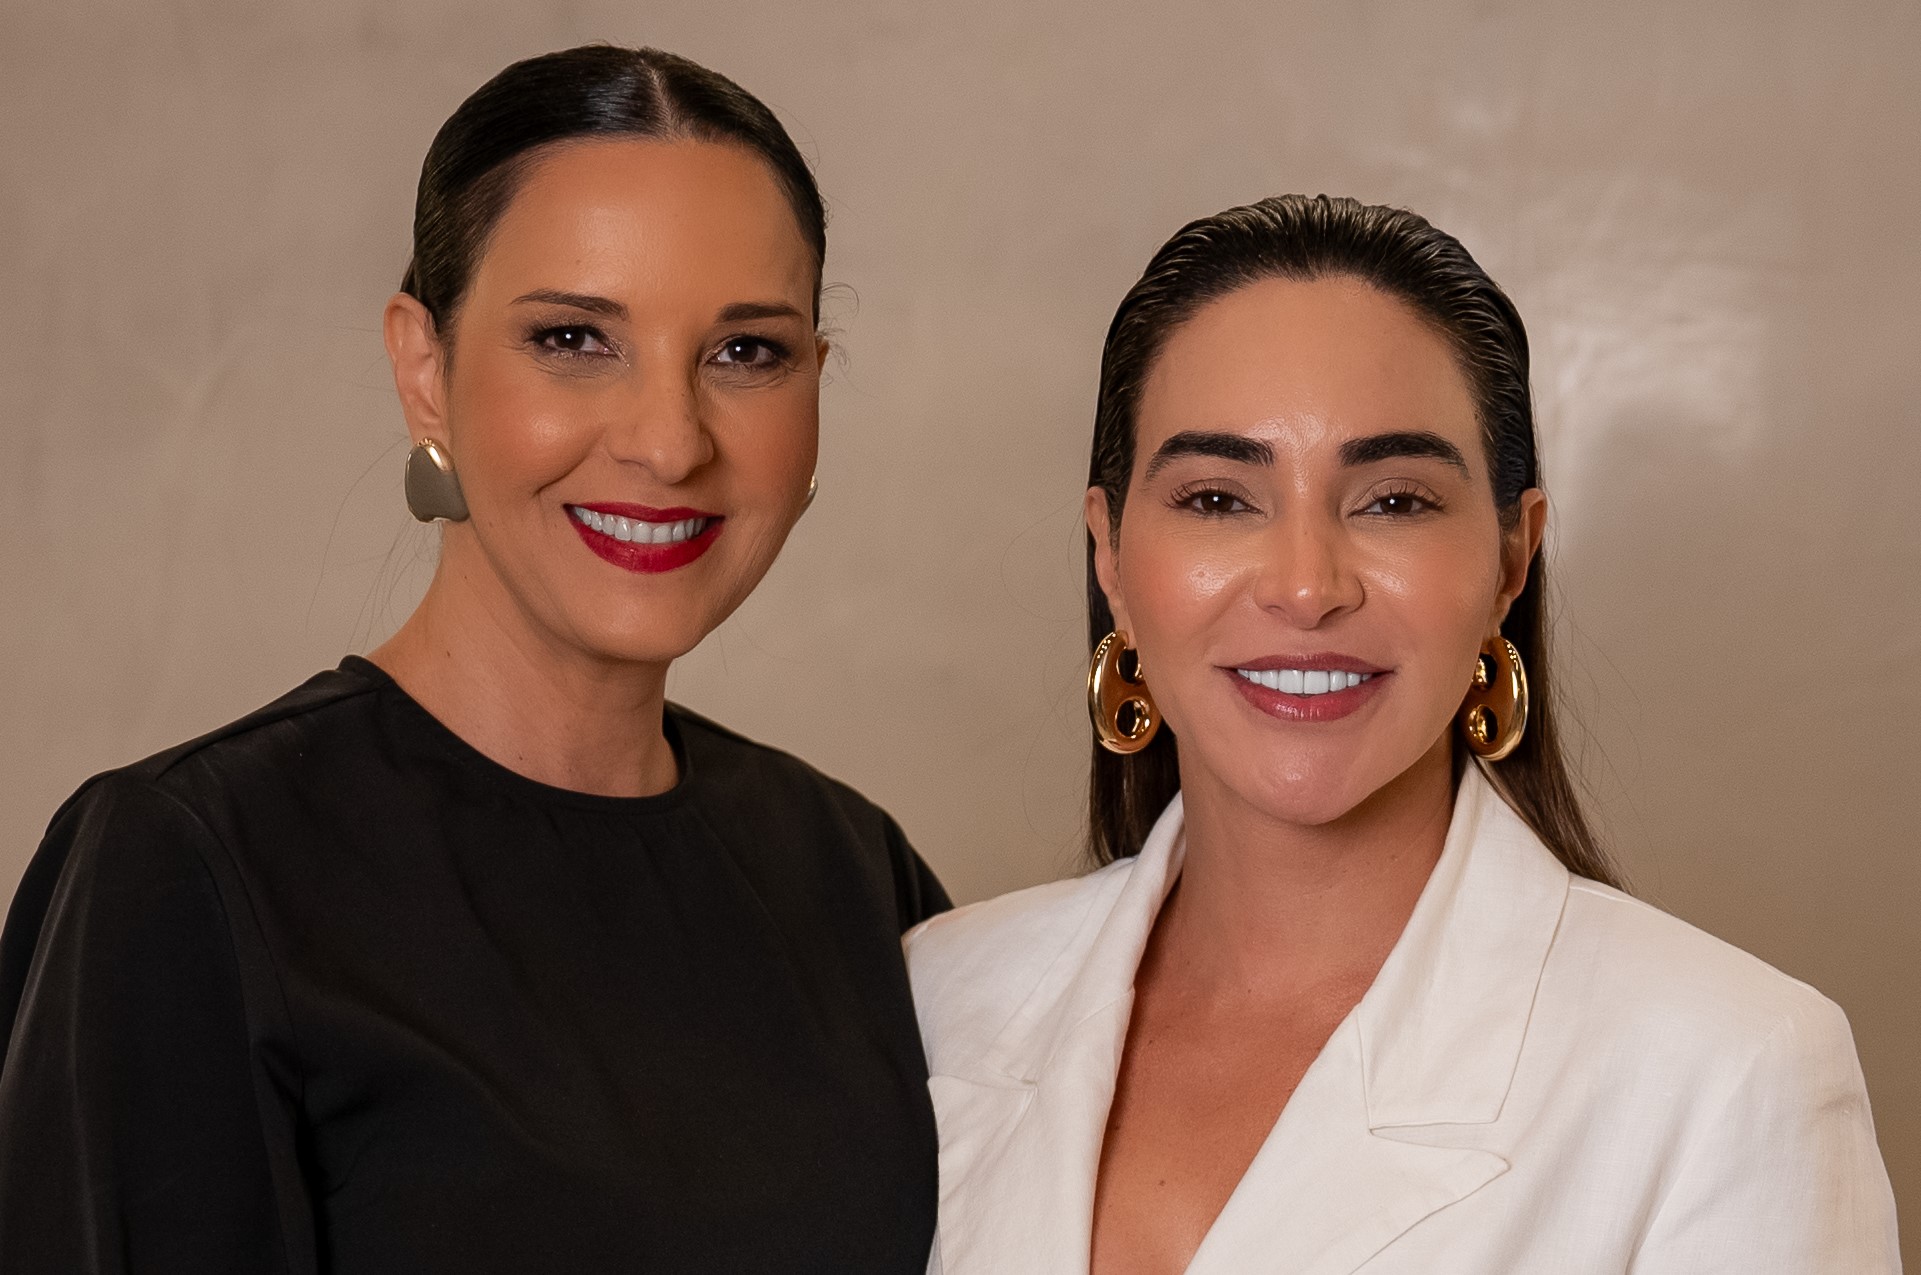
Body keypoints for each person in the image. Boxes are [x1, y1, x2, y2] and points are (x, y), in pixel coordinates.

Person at [0, 45, 948, 1273]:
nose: (670, 443)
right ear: (425, 370)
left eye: (744, 354)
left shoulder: (854, 871)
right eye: (574, 337)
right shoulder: (187, 867)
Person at [906, 195, 1899, 1273]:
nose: (1305, 587)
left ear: (1511, 559)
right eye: (1218, 499)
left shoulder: (1730, 1072)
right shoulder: (936, 997)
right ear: (1111, 558)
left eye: (1392, 501)